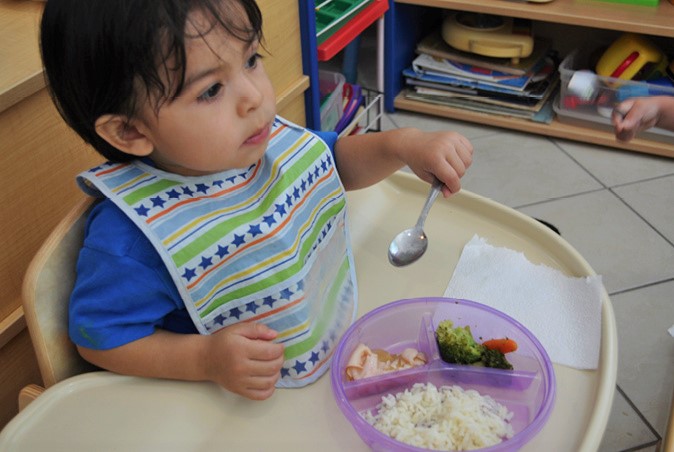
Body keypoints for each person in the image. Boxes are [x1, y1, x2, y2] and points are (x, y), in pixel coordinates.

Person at [40, 0, 473, 401]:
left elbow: (332, 165)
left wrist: (402, 145)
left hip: (327, 350)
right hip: (225, 403)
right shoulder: (133, 240)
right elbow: (101, 337)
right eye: (211, 90)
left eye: (251, 60)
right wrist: (204, 360)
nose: (254, 96)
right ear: (130, 132)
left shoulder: (261, 145)